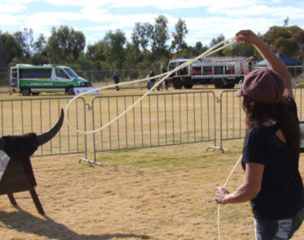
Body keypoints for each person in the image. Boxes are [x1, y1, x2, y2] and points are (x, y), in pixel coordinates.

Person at [215, 30, 304, 240]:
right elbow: (283, 75)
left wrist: (225, 198)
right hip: (296, 208)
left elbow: (251, 189)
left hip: (274, 219)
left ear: (251, 103)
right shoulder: (287, 111)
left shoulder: (257, 136)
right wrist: (257, 42)